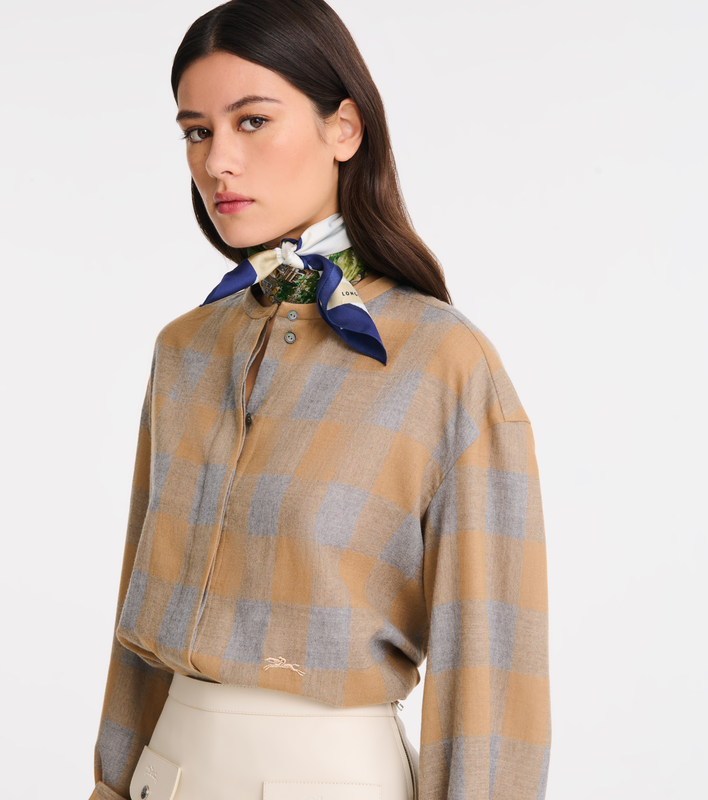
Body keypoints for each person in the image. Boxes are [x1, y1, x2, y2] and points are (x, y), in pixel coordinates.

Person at [88, 1, 550, 798]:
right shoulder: (184, 352)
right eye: (197, 131)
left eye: (252, 121)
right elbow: (137, 633)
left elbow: (492, 668)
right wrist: (108, 782)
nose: (217, 161)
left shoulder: (444, 365)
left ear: (344, 128)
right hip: (166, 774)